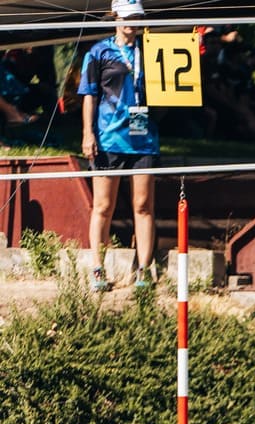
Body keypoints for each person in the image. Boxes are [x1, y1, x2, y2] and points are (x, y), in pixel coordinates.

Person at [79, 0, 159, 293]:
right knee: (103, 205)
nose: (131, 23)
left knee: (143, 204)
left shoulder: (150, 51)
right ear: (115, 18)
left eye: (136, 17)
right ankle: (97, 268)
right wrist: (88, 133)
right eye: (126, 17)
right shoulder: (98, 52)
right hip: (108, 136)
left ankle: (144, 269)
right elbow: (88, 94)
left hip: (143, 136)